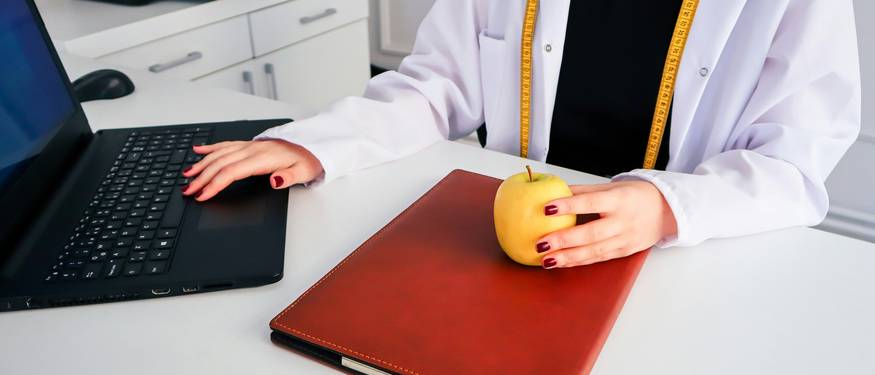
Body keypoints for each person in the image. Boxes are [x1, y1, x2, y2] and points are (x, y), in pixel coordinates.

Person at [181, 1, 860, 269]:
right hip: (505, 249)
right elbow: (435, 86)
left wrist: (665, 207)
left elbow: (792, 165)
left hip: (681, 257)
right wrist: (315, 143)